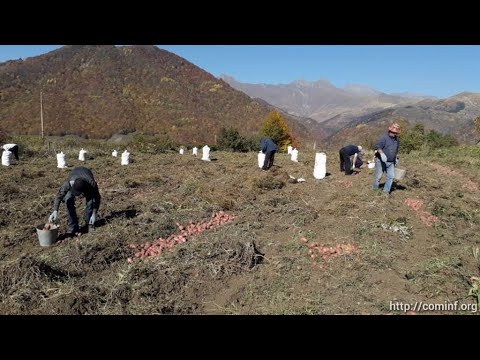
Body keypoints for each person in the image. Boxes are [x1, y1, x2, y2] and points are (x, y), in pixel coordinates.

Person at [49, 167, 101, 235]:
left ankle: (90, 224)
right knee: (68, 199)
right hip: (75, 173)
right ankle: (72, 227)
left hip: (86, 176)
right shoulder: (69, 183)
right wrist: (55, 211)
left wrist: (94, 213)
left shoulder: (91, 184)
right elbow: (59, 196)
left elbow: (97, 198)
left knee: (90, 202)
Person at [372, 123, 400, 194]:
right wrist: (381, 153)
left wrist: (396, 157)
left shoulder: (397, 140)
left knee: (390, 177)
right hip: (381, 161)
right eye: (393, 130)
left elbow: (396, 149)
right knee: (378, 177)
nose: (394, 133)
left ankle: (385, 192)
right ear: (389, 129)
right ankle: (374, 190)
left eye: (396, 131)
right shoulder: (384, 138)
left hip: (391, 162)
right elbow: (378, 147)